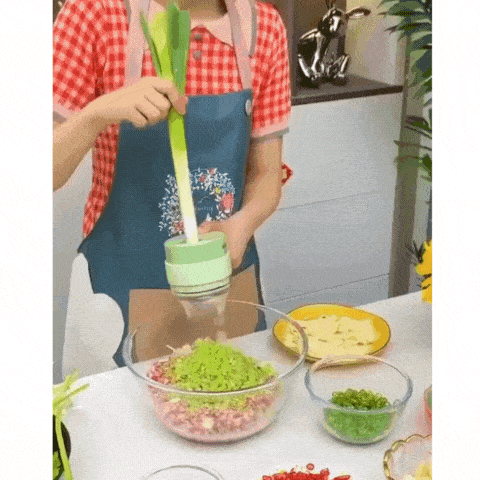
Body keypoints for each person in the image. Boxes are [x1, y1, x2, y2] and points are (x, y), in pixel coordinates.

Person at [53, 0, 292, 376]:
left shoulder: (263, 28)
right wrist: (98, 113)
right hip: (119, 291)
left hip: (223, 294)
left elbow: (266, 175)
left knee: (230, 403)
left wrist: (242, 224)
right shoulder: (96, 13)